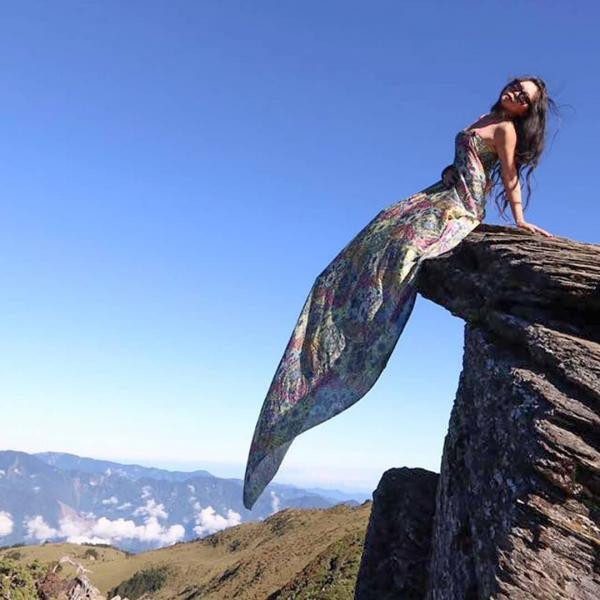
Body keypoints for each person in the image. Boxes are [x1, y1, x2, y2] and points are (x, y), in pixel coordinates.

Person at [243, 76, 558, 510]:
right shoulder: (485, 117)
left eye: (525, 97)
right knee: (370, 239)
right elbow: (468, 158)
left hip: (458, 205)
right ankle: (341, 310)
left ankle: (362, 326)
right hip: (438, 193)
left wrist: (519, 220)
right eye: (515, 87)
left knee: (405, 250)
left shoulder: (505, 129)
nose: (516, 95)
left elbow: (507, 175)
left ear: (527, 111)